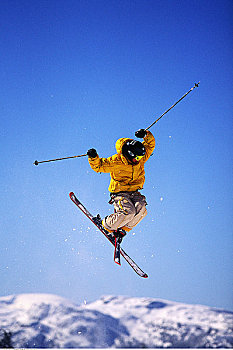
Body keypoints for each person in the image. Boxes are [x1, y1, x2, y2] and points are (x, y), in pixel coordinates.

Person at [87, 128, 155, 241]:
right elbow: (99, 166)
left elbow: (150, 145)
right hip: (119, 193)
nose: (139, 160)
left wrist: (145, 135)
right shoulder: (116, 161)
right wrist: (93, 157)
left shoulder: (140, 159)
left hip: (134, 191)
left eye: (141, 157)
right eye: (137, 157)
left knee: (141, 208)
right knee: (129, 212)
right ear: (129, 154)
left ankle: (123, 229)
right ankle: (106, 224)